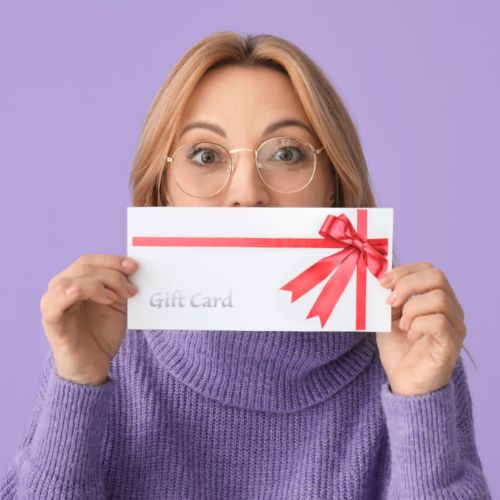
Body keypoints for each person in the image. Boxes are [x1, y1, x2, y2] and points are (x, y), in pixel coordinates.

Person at [0, 31, 492, 499]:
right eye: (205, 154)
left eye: (287, 153)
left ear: (335, 187)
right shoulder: (105, 349)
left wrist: (418, 400)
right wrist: (78, 385)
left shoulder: (406, 355)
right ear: (162, 192)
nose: (246, 195)